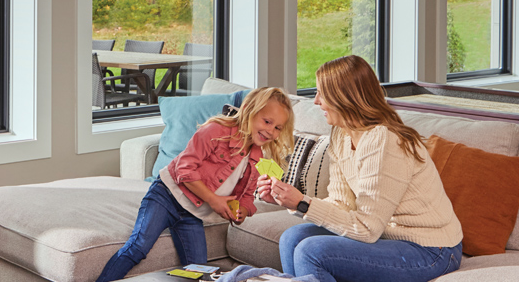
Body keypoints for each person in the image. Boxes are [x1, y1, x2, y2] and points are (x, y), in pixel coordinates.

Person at [257, 55, 464, 282]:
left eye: (321, 94)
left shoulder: (384, 141)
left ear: (344, 97)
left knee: (312, 251)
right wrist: (289, 199)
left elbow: (367, 228)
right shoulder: (341, 134)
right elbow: (342, 204)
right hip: (386, 235)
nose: (316, 101)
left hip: (431, 248)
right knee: (292, 238)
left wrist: (303, 204)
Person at [96, 88, 298, 282]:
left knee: (198, 269)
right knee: (138, 247)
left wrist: (243, 211)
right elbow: (184, 170)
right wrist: (214, 200)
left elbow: (246, 195)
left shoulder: (256, 157)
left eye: (278, 127)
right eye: (267, 121)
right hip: (165, 196)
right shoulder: (216, 131)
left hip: (192, 213)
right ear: (248, 111)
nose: (270, 130)